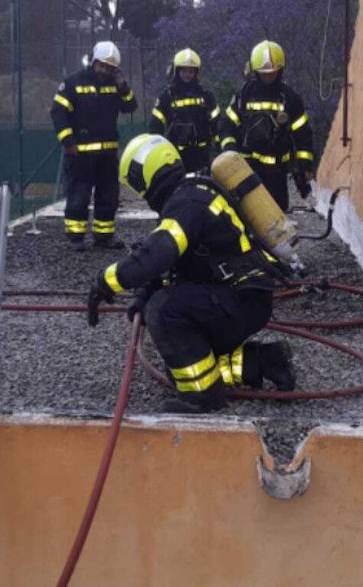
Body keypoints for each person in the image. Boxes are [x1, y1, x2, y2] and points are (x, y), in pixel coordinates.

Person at [86, 134, 296, 414]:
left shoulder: (187, 202)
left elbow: (159, 252)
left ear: (146, 173)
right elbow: (169, 265)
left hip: (239, 301)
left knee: (164, 311)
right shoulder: (188, 195)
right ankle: (264, 361)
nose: (142, 193)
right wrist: (143, 295)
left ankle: (204, 397)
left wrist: (106, 281)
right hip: (241, 298)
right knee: (183, 367)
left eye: (137, 184)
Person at [50, 41, 138, 250]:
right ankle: (76, 237)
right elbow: (58, 112)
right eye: (102, 66)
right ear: (93, 61)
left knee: (108, 195)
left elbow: (130, 106)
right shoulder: (73, 83)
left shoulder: (114, 85)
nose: (105, 70)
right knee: (79, 194)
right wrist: (67, 140)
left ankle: (104, 237)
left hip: (107, 153)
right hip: (81, 153)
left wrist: (123, 86)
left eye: (110, 67)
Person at [214, 40, 315, 211]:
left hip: (277, 171)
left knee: (277, 214)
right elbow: (227, 125)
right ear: (255, 71)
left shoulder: (290, 98)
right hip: (246, 169)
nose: (269, 76)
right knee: (246, 212)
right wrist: (229, 149)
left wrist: (304, 167)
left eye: (273, 72)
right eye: (264, 73)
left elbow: (303, 135)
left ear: (280, 70)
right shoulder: (243, 96)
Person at [148, 48, 218, 174]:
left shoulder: (206, 95)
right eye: (184, 70)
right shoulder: (166, 97)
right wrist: (157, 150)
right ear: (176, 71)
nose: (188, 74)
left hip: (202, 155)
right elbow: (155, 125)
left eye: (191, 70)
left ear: (196, 72)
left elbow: (217, 123)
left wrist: (218, 148)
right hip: (176, 156)